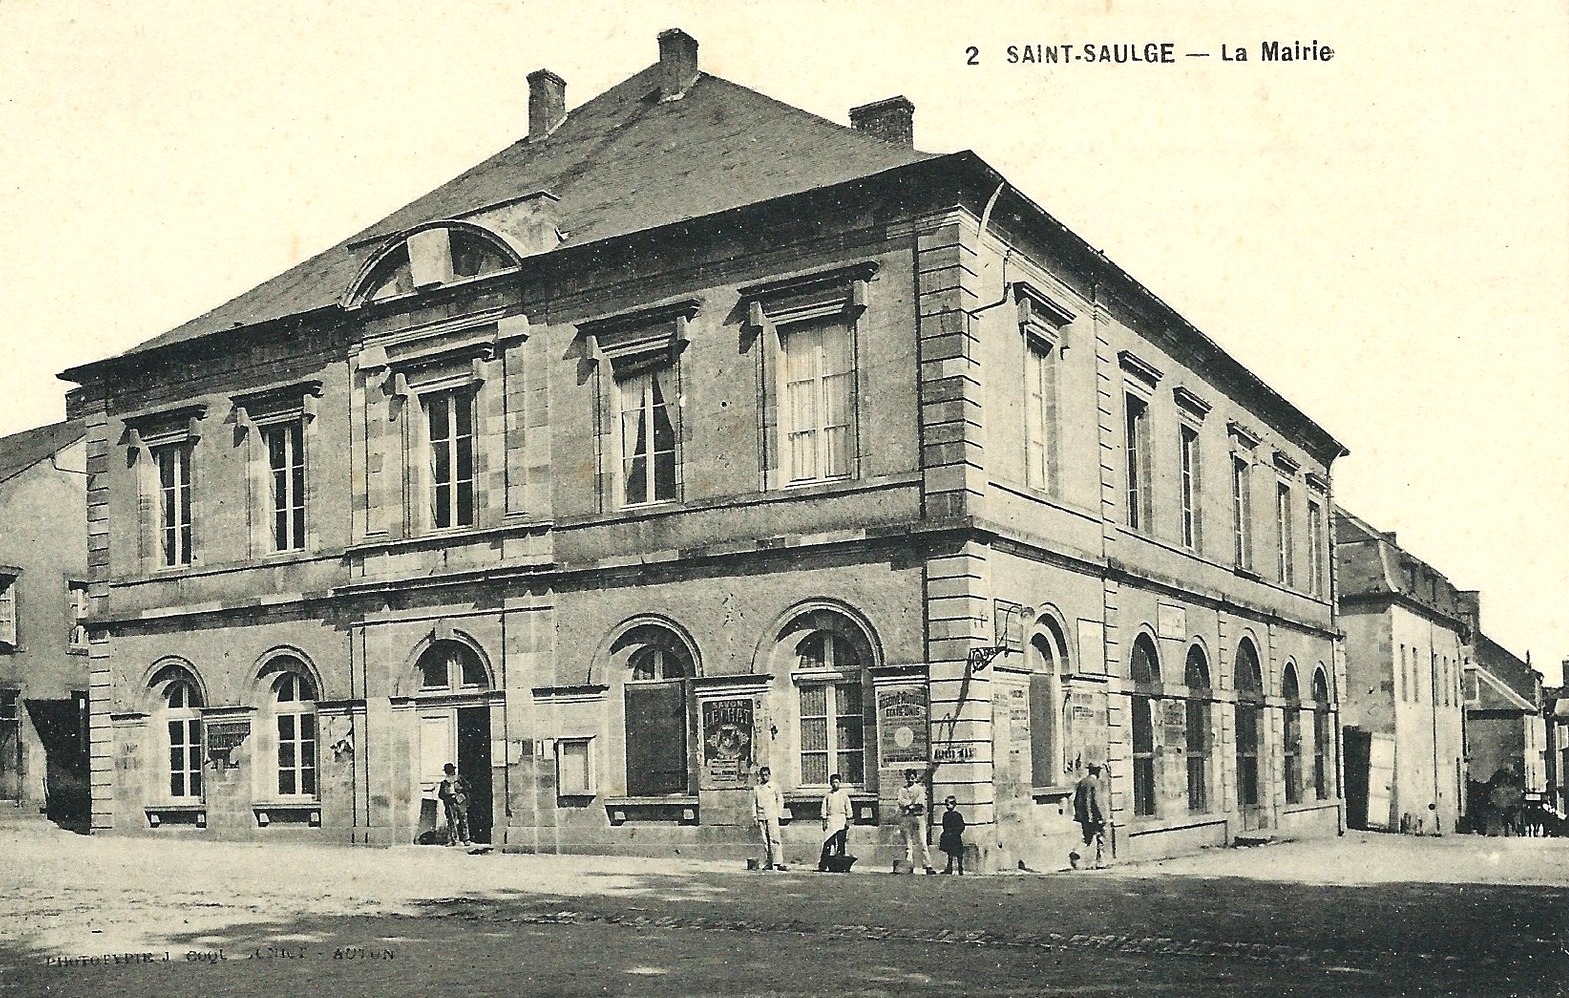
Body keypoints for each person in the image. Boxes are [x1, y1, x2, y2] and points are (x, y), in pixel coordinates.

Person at [896, 769, 936, 874]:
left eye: (912, 778)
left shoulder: (919, 789)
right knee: (908, 843)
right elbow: (900, 801)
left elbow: (920, 802)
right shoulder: (902, 790)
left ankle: (927, 865)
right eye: (908, 778)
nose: (910, 780)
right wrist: (909, 803)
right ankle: (909, 865)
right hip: (907, 817)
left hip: (918, 817)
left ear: (915, 778)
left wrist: (910, 806)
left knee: (922, 841)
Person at [1071, 762, 1109, 869]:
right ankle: (1101, 862)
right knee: (1101, 837)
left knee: (1087, 836)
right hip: (1095, 817)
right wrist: (1102, 816)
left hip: (1084, 816)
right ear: (1097, 771)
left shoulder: (1082, 782)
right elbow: (1097, 802)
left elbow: (1076, 801)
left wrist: (1079, 814)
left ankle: (1077, 852)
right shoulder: (1095, 783)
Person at [752, 766, 787, 870]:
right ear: (760, 776)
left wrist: (779, 813)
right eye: (762, 775)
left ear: (769, 775)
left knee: (775, 839)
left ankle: (778, 862)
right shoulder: (757, 788)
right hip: (761, 816)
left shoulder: (774, 786)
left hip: (772, 815)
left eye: (766, 774)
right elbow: (754, 803)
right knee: (765, 840)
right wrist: (755, 816)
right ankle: (769, 862)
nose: (764, 777)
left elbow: (780, 800)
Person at [818, 773, 853, 871]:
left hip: (841, 819)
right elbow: (824, 808)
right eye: (833, 782)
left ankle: (841, 865)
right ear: (830, 783)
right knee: (828, 843)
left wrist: (848, 819)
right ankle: (823, 864)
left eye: (837, 782)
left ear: (840, 783)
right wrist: (824, 820)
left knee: (840, 842)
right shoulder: (828, 795)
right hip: (831, 820)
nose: (835, 784)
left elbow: (848, 807)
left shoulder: (843, 795)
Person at [439, 762, 472, 847]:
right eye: (448, 771)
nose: (450, 772)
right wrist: (447, 797)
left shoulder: (460, 778)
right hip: (450, 802)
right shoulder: (444, 782)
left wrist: (461, 789)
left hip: (461, 802)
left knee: (463, 820)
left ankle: (466, 839)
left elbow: (468, 787)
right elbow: (440, 795)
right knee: (451, 821)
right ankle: (452, 840)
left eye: (451, 770)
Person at [938, 795, 966, 875]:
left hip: (955, 836)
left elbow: (962, 826)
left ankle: (960, 868)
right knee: (949, 853)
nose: (948, 806)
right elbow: (944, 825)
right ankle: (949, 867)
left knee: (959, 853)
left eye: (950, 804)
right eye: (946, 804)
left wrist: (957, 833)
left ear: (954, 805)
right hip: (948, 836)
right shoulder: (945, 815)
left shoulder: (957, 815)